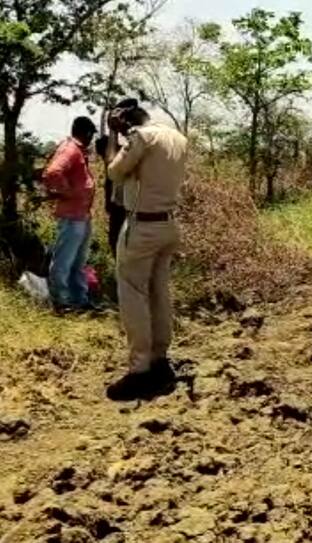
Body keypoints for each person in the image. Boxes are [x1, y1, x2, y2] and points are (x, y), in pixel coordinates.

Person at [104, 99, 188, 401]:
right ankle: (160, 358)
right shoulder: (177, 137)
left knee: (133, 294)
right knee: (159, 292)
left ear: (127, 122)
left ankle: (140, 369)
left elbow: (114, 172)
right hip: (168, 224)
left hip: (142, 226)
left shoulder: (141, 137)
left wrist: (113, 136)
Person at [43, 116, 98, 313]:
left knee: (78, 262)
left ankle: (78, 300)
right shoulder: (70, 149)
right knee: (64, 260)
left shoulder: (79, 152)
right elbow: (53, 173)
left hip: (81, 215)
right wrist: (68, 193)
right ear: (87, 134)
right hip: (71, 216)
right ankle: (61, 301)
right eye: (91, 135)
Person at [95, 134, 127, 257]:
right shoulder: (113, 160)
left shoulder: (120, 160)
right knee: (115, 240)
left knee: (118, 241)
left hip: (123, 206)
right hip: (117, 207)